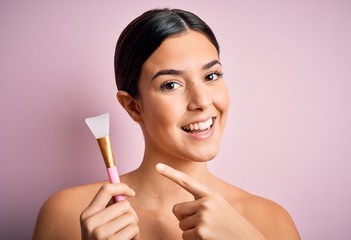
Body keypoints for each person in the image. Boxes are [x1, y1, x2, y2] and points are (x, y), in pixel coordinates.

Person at [33, 8, 300, 240]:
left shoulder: (271, 221)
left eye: (211, 75)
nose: (202, 101)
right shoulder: (68, 214)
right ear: (133, 106)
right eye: (171, 84)